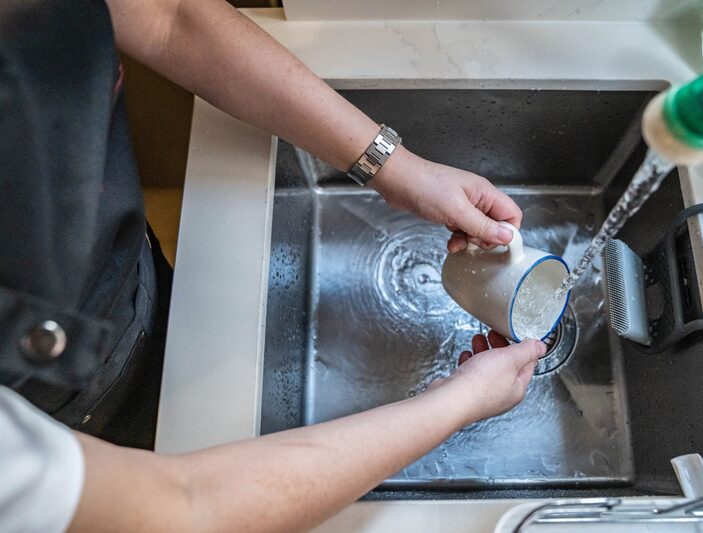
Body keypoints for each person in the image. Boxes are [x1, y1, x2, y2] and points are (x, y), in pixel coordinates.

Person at [0, 0, 546, 531]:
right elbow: (186, 508)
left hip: (115, 281)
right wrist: (458, 403)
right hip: (61, 412)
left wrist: (398, 169)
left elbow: (168, 17)